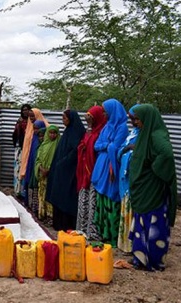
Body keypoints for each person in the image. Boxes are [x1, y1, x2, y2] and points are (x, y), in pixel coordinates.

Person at [129, 104, 177, 271]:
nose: (136, 122)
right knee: (142, 222)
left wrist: (153, 168)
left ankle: (154, 261)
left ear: (147, 118)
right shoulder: (145, 134)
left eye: (137, 119)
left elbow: (167, 154)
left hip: (153, 189)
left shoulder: (157, 136)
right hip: (143, 188)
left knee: (154, 222)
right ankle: (140, 258)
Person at [91, 99, 129, 248]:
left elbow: (116, 147)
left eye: (106, 111)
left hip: (111, 167)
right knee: (101, 199)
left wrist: (106, 146)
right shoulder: (106, 127)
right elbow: (97, 145)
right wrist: (107, 145)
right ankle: (102, 234)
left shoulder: (123, 128)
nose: (104, 114)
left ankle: (111, 236)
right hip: (102, 166)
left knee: (111, 199)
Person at [46, 110, 85, 231]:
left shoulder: (77, 132)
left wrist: (63, 163)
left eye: (65, 118)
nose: (63, 120)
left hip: (70, 171)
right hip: (61, 170)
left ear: (71, 119)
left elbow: (75, 151)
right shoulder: (67, 132)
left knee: (66, 196)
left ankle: (67, 225)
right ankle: (58, 224)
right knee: (59, 194)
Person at [76, 105, 107, 241]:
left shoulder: (102, 132)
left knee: (93, 202)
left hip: (95, 171)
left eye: (92, 118)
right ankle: (82, 229)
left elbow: (95, 148)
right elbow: (83, 143)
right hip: (85, 171)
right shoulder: (89, 131)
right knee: (84, 200)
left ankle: (92, 232)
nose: (89, 121)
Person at [116, 104, 140, 253]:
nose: (133, 122)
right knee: (125, 208)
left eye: (135, 119)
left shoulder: (144, 135)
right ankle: (124, 243)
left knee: (133, 210)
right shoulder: (132, 133)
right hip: (124, 177)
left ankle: (132, 245)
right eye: (132, 118)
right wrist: (126, 149)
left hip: (134, 179)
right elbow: (121, 150)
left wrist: (129, 149)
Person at [18, 108, 49, 200]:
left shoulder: (45, 128)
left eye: (33, 116)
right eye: (29, 116)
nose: (31, 118)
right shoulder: (29, 127)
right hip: (29, 156)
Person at [35, 125, 60, 224]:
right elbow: (37, 160)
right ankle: (42, 214)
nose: (52, 135)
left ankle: (50, 217)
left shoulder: (58, 145)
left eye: (54, 133)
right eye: (50, 132)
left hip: (52, 176)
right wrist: (41, 168)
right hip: (42, 175)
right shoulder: (43, 145)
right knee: (42, 195)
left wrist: (49, 170)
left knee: (50, 196)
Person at [25, 120, 46, 213]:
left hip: (40, 168)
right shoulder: (34, 139)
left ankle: (37, 209)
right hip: (33, 166)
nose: (36, 131)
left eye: (37, 128)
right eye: (34, 129)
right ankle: (31, 206)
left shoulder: (44, 142)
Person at [12, 104, 32, 196]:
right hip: (20, 149)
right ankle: (18, 191)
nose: (25, 112)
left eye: (27, 110)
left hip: (29, 149)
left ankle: (24, 192)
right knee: (18, 169)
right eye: (23, 110)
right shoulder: (19, 121)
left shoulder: (32, 122)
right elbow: (15, 136)